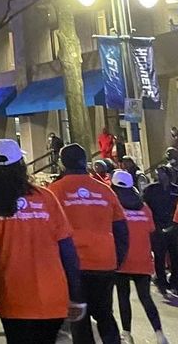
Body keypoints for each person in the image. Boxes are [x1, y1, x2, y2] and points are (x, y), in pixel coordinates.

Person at [0, 138, 84, 344]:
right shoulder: (46, 197)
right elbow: (66, 248)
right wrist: (76, 293)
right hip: (52, 293)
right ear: (21, 164)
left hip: (12, 293)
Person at [46, 143, 127, 344]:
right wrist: (117, 259)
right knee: (105, 316)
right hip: (104, 263)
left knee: (79, 321)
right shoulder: (105, 191)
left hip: (72, 266)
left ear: (62, 163)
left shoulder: (53, 192)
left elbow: (46, 231)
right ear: (85, 162)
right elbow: (121, 229)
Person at [110, 170, 168, 344]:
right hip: (143, 259)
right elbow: (151, 230)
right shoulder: (144, 208)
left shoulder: (114, 206)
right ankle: (159, 334)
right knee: (146, 298)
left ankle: (127, 334)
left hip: (122, 259)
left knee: (123, 297)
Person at [143, 165, 178, 296]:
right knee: (159, 257)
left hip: (174, 228)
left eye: (162, 173)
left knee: (175, 257)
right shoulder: (150, 189)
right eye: (158, 173)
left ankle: (176, 282)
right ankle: (161, 282)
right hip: (157, 228)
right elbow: (145, 207)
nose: (159, 176)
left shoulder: (177, 190)